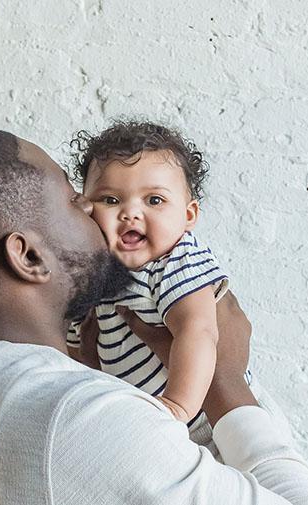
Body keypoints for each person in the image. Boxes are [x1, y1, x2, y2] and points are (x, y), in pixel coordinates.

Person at [0, 130, 308, 505]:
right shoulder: (74, 417)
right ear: (29, 257)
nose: (97, 215)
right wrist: (227, 383)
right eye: (78, 202)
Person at [65, 120, 255, 443]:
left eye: (154, 200)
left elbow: (198, 329)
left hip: (206, 424)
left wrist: (176, 407)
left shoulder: (176, 260)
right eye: (110, 200)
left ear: (188, 215)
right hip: (149, 427)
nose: (130, 213)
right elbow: (75, 350)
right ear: (85, 209)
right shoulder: (96, 273)